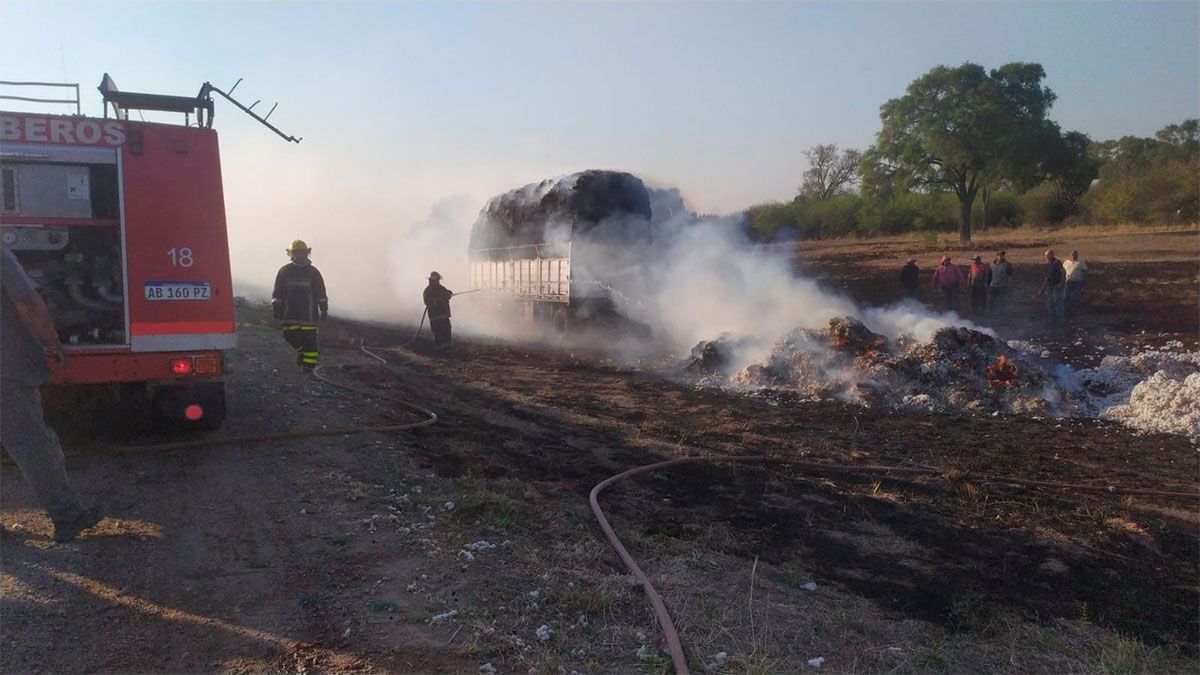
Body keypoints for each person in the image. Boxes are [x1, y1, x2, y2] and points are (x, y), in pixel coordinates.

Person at [1, 248, 102, 542]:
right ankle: (68, 516)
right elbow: (29, 302)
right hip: (6, 368)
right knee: (32, 444)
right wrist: (53, 340)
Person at [272, 240, 328, 369]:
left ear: (307, 253)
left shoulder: (314, 272)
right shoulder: (284, 271)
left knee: (310, 341)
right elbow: (278, 292)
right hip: (289, 313)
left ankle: (309, 367)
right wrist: (277, 309)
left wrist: (324, 309)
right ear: (291, 254)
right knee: (290, 336)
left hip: (309, 315)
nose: (299, 256)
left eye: (302, 253)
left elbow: (321, 293)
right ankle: (302, 354)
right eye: (296, 253)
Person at [423, 271, 454, 347]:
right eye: (437, 280)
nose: (438, 282)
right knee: (439, 335)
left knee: (447, 334)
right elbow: (427, 302)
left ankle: (447, 351)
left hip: (444, 317)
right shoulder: (428, 291)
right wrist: (436, 301)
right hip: (435, 318)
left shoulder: (441, 288)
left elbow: (447, 293)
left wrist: (449, 293)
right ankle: (440, 353)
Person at [1037, 248, 1066, 322]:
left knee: (1057, 302)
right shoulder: (1047, 265)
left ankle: (1060, 319)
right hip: (1049, 286)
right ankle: (1053, 318)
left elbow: (1063, 273)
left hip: (1056, 285)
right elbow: (1047, 278)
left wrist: (1061, 284)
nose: (1046, 257)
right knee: (1049, 303)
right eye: (1046, 256)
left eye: (1048, 256)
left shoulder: (1057, 263)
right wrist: (1042, 289)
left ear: (1052, 255)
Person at [1062, 249, 1087, 317]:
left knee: (1077, 296)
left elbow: (1085, 272)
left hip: (1078, 281)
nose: (1073, 256)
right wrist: (1062, 280)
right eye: (1072, 255)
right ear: (1070, 256)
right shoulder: (1066, 262)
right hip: (1068, 281)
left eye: (1075, 255)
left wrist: (1084, 282)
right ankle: (1067, 310)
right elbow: (1063, 271)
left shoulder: (1081, 262)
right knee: (1066, 296)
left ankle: (1077, 310)